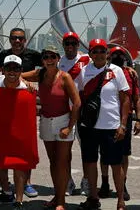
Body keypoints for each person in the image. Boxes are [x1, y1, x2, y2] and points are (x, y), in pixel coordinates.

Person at [0, 27, 42, 198]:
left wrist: (23, 78)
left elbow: (43, 70)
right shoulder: (3, 58)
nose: (17, 41)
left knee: (23, 151)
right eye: (14, 38)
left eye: (21, 38)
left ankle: (26, 184)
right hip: (3, 114)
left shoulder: (33, 54)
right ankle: (8, 189)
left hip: (23, 99)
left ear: (25, 40)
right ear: (10, 39)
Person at [22, 45, 81, 210]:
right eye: (46, 57)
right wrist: (27, 83)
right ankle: (57, 196)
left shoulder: (65, 77)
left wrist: (70, 127)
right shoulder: (39, 74)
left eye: (53, 57)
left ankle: (61, 201)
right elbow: (16, 76)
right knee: (53, 162)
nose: (49, 60)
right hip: (46, 121)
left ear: (58, 59)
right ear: (43, 60)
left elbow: (77, 103)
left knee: (62, 163)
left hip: (63, 122)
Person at [74, 39, 130, 210]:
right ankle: (93, 197)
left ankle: (120, 201)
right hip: (90, 128)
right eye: (95, 51)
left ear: (107, 53)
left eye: (102, 51)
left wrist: (123, 125)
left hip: (112, 127)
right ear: (90, 54)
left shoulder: (117, 71)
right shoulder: (84, 72)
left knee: (115, 164)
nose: (99, 54)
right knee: (90, 162)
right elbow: (76, 97)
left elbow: (125, 98)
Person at [0, 55, 36, 209]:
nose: (12, 71)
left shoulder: (26, 89)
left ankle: (19, 200)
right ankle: (7, 191)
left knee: (18, 165)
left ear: (21, 71)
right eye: (8, 68)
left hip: (19, 132)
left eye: (16, 68)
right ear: (3, 70)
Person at [98, 46, 140, 202]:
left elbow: (136, 97)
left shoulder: (130, 74)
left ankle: (122, 185)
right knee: (104, 153)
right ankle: (104, 183)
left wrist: (138, 119)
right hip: (106, 118)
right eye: (114, 54)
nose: (117, 57)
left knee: (124, 154)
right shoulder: (104, 70)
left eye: (120, 55)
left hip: (125, 118)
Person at [58, 31, 90, 196]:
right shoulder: (58, 62)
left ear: (78, 45)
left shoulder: (86, 59)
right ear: (63, 45)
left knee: (86, 148)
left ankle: (86, 181)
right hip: (65, 111)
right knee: (65, 150)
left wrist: (128, 68)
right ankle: (68, 181)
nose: (70, 46)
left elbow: (106, 66)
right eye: (67, 43)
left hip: (83, 111)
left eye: (73, 43)